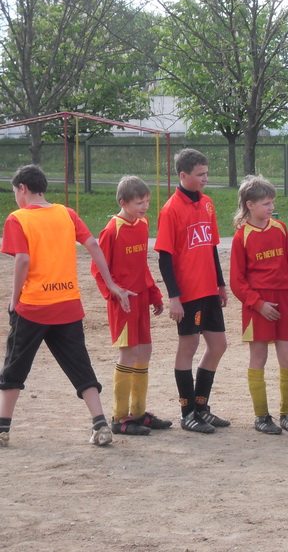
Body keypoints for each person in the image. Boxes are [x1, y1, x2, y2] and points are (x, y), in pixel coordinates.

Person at [0, 165, 130, 447]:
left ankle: (2, 429)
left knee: (14, 367)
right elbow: (93, 244)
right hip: (68, 304)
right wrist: (111, 284)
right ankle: (100, 424)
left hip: (33, 306)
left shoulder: (17, 218)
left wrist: (14, 299)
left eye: (15, 192)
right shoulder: (66, 213)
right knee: (79, 365)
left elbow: (23, 260)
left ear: (22, 188)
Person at [155, 148, 229, 434]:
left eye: (207, 173)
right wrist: (174, 297)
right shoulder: (171, 209)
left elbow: (211, 248)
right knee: (189, 346)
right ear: (183, 175)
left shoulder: (207, 204)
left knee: (218, 345)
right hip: (188, 292)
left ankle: (201, 407)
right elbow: (164, 257)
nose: (205, 178)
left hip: (209, 289)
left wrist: (220, 284)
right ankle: (187, 413)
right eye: (200, 174)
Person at [90, 175, 169, 436]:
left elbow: (142, 265)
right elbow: (97, 269)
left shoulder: (143, 223)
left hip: (141, 299)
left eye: (147, 201)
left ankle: (139, 413)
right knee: (128, 353)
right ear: (123, 202)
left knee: (144, 351)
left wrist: (154, 293)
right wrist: (114, 292)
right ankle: (119, 417)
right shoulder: (112, 230)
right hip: (122, 302)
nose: (145, 207)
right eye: (139, 203)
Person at [230, 176, 288, 435]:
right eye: (266, 203)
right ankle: (261, 416)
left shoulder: (280, 228)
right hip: (257, 307)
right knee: (258, 359)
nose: (271, 207)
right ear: (250, 205)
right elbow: (237, 282)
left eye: (272, 202)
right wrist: (258, 304)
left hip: (282, 301)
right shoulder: (241, 237)